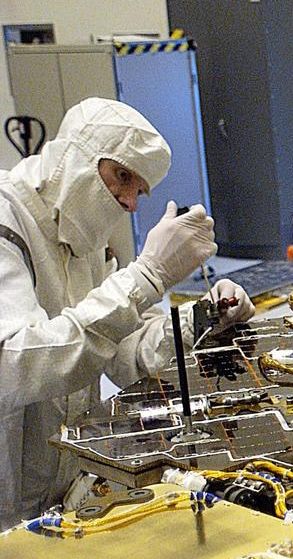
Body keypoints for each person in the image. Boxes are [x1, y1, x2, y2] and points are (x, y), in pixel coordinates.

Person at [0, 98, 253, 524]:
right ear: (76, 157)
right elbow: (17, 365)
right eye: (122, 177)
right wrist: (145, 277)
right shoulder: (9, 223)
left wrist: (200, 320)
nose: (130, 202)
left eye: (139, 190)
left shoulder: (84, 237)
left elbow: (122, 352)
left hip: (58, 486)